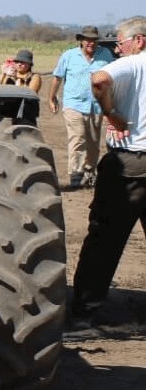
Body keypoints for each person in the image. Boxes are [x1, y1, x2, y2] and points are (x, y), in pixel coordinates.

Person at [70, 16, 146, 319]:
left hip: (130, 163)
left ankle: (86, 307)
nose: (117, 47)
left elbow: (99, 79)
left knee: (105, 237)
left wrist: (111, 113)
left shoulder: (135, 63)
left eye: (121, 41)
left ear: (139, 40)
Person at [49, 25, 116, 190]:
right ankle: (76, 173)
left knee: (93, 143)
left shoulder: (105, 55)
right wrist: (52, 98)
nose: (90, 43)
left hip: (96, 106)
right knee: (78, 137)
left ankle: (89, 173)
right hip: (74, 104)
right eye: (87, 39)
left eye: (93, 40)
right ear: (81, 40)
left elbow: (112, 78)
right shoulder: (69, 56)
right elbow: (57, 77)